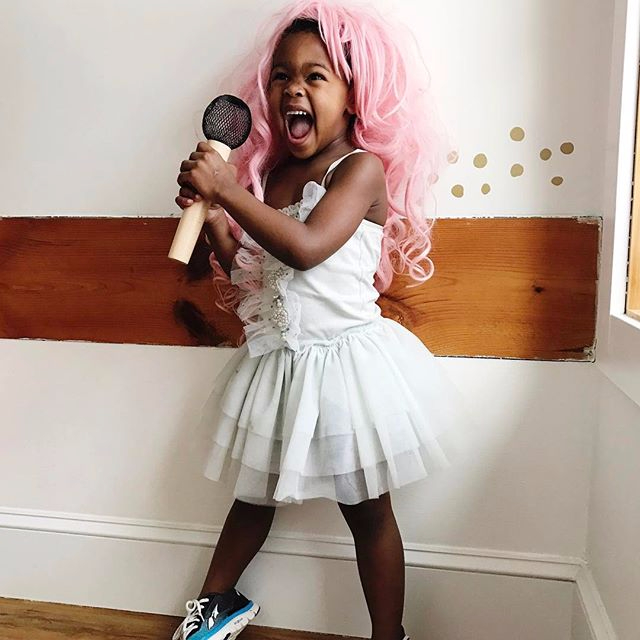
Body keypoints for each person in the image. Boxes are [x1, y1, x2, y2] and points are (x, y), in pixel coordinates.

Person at [171, 2, 476, 639]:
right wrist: (218, 217)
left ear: (353, 94)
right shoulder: (275, 176)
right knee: (252, 495)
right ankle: (214, 605)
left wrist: (227, 191)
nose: (293, 89)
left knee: (367, 510)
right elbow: (254, 273)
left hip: (344, 369)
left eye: (316, 76)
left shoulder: (360, 171)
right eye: (281, 76)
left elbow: (306, 249)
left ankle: (389, 633)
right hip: (279, 364)